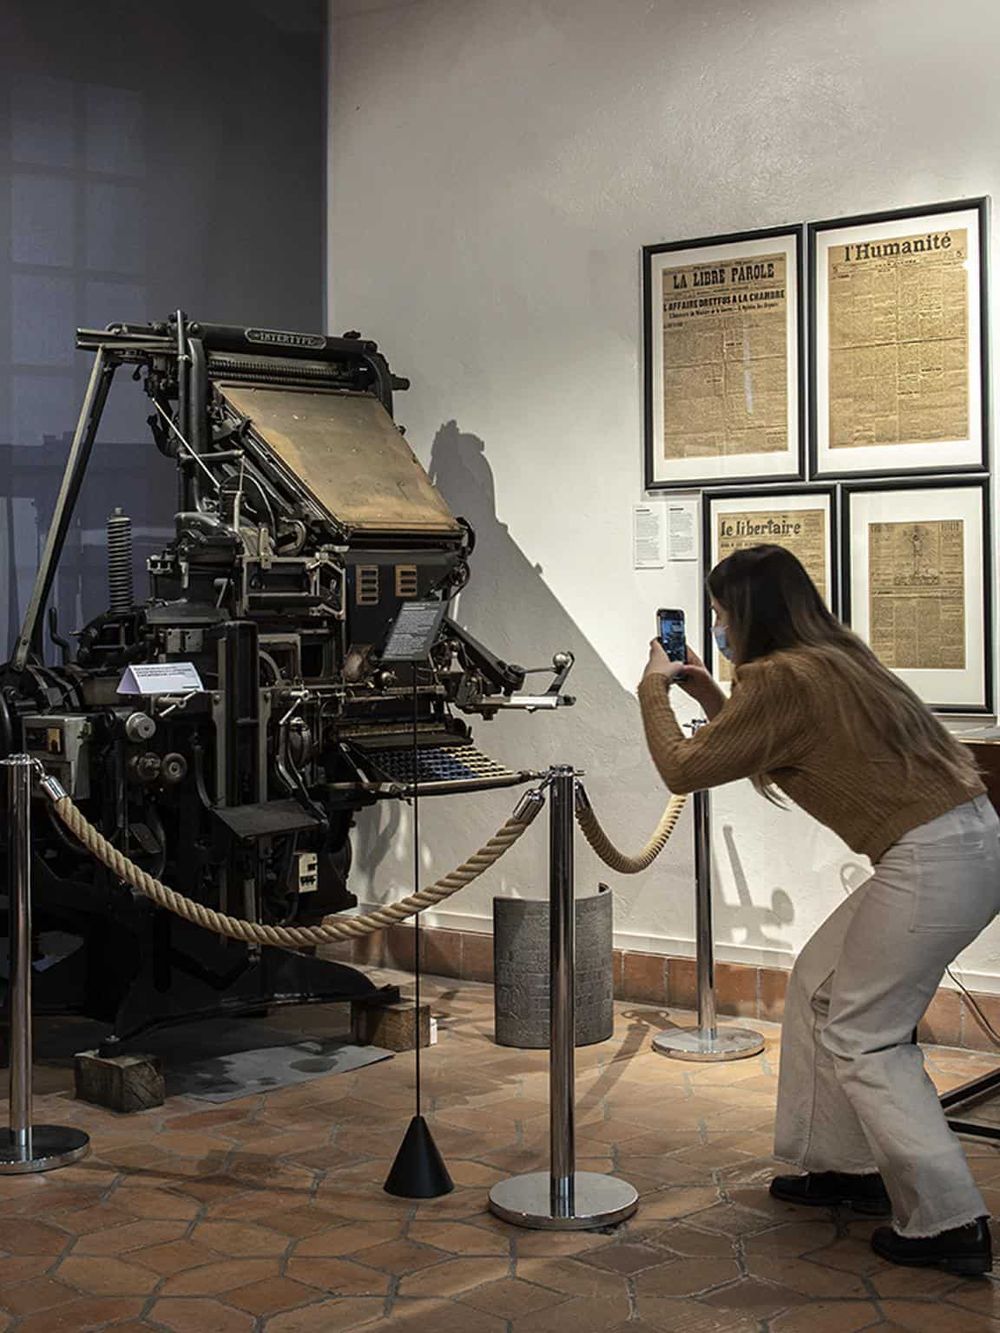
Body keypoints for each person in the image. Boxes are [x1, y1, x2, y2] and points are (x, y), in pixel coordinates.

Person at [637, 543, 1000, 1276]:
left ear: (748, 613)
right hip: (962, 844)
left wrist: (652, 690)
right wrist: (709, 696)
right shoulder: (834, 660)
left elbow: (683, 768)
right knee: (816, 984)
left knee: (867, 1038)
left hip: (929, 858)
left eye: (719, 614)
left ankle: (949, 1220)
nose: (717, 628)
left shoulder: (780, 678)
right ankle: (842, 1166)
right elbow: (769, 744)